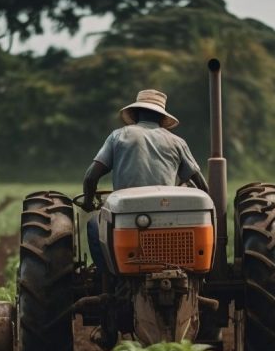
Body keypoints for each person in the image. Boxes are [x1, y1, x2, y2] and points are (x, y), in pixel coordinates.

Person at [82, 89, 209, 270]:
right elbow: (202, 186)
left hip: (127, 215)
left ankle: (108, 279)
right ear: (162, 118)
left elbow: (90, 177)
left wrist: (88, 202)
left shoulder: (119, 136)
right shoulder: (177, 141)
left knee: (94, 226)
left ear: (134, 114)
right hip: (169, 217)